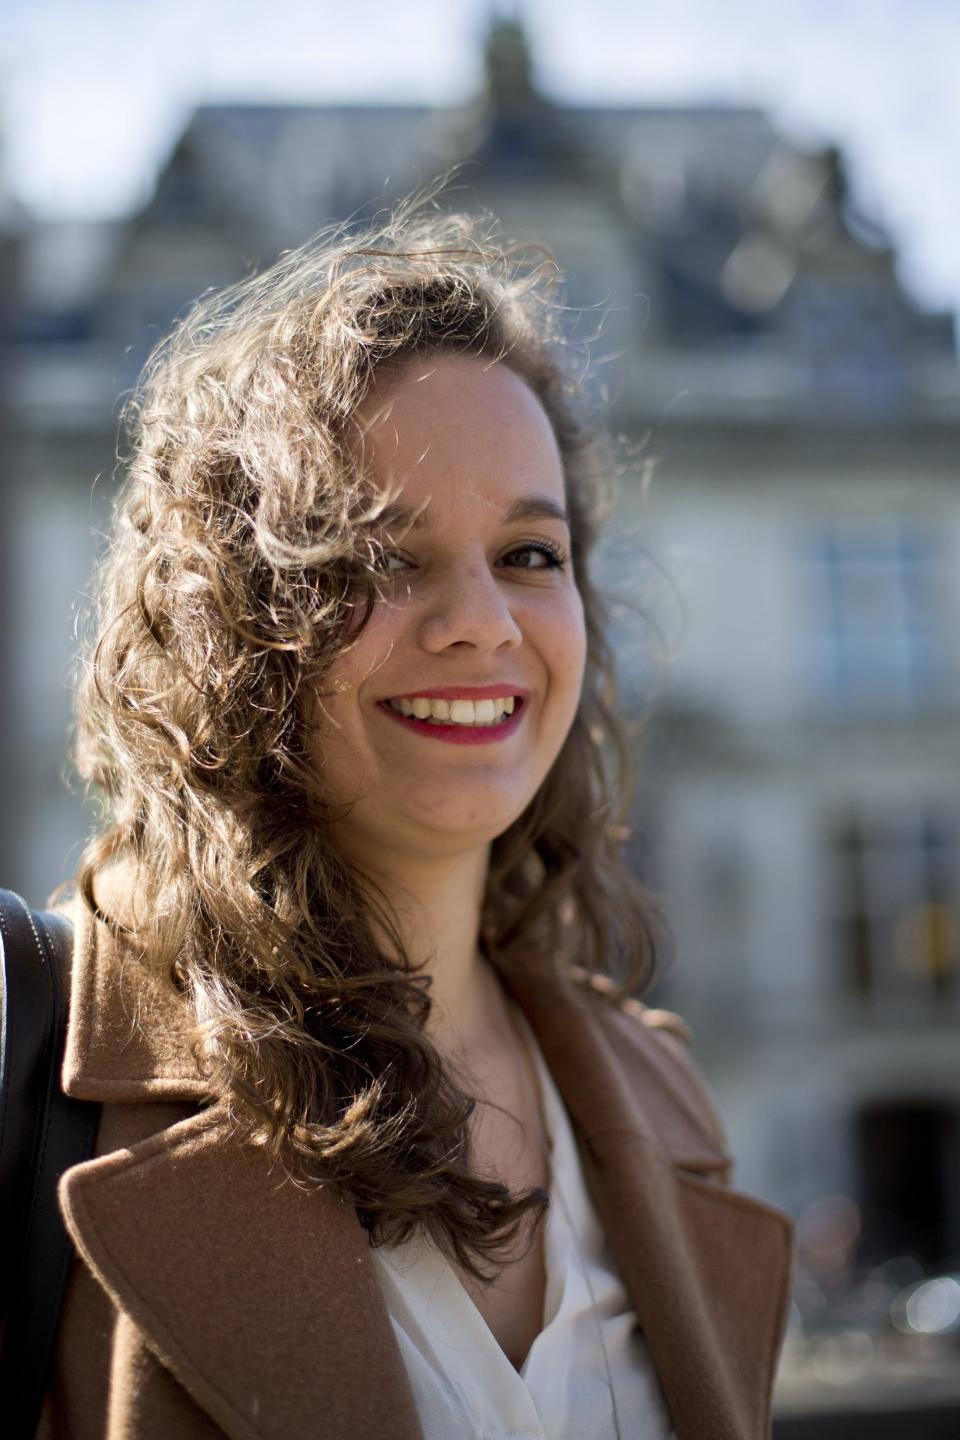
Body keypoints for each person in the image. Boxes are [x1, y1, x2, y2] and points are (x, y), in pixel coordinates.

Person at [41, 201, 794, 1440]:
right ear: (235, 623)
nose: (482, 623)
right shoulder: (33, 1070)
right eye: (383, 555)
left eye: (530, 554)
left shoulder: (664, 1098)